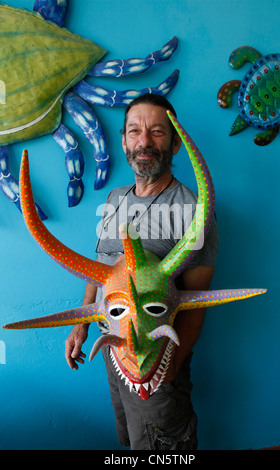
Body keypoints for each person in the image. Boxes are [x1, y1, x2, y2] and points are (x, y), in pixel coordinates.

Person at [65, 93, 218, 450]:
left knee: (160, 447)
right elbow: (101, 267)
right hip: (112, 347)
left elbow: (197, 304)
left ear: (176, 143)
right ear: (123, 141)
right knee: (133, 442)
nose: (144, 141)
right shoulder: (114, 198)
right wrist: (81, 325)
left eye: (157, 132)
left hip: (154, 358)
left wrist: (167, 370)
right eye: (134, 131)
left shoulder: (194, 211)